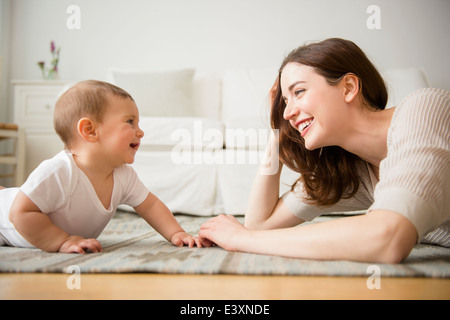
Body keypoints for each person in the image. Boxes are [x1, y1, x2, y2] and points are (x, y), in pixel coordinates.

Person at [199, 38, 450, 263]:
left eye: (299, 92)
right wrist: (277, 135)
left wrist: (241, 240)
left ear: (349, 87)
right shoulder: (352, 170)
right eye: (285, 102)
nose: (287, 113)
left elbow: (388, 236)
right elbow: (259, 225)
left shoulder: (426, 109)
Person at [0, 80, 207, 253]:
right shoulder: (59, 172)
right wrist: (62, 241)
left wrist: (176, 233)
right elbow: (19, 213)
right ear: (90, 130)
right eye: (130, 122)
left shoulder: (124, 176)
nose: (140, 132)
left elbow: (150, 205)